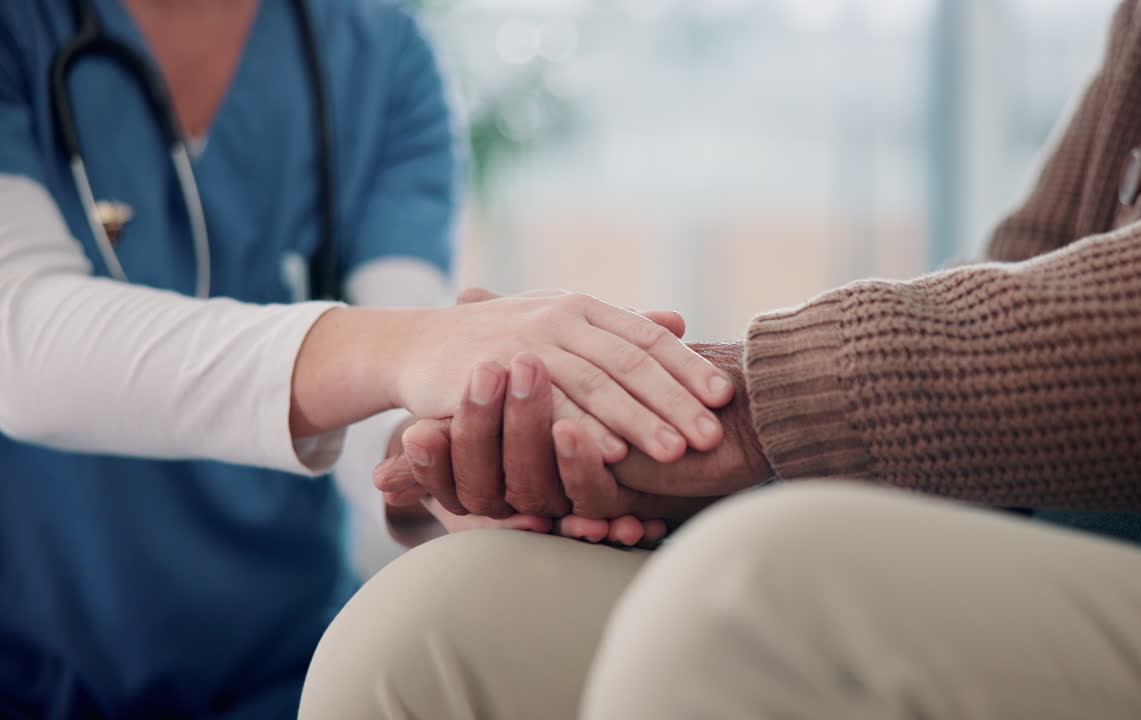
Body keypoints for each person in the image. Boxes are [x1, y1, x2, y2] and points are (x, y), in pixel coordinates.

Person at [300, 0, 1141, 717]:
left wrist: (744, 414)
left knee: (752, 599)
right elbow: (1022, 281)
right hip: (1064, 567)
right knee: (432, 631)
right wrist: (612, 459)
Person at [0, 0, 735, 716]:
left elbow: (390, 405)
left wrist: (456, 463)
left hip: (279, 671)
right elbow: (20, 342)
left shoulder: (381, 58)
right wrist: (407, 346)